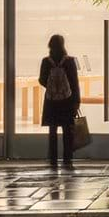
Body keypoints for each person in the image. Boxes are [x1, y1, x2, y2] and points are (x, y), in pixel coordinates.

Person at [39, 35, 81, 171]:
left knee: (52, 131)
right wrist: (76, 101)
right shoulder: (69, 61)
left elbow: (41, 79)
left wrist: (52, 86)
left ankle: (53, 160)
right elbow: (74, 82)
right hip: (67, 101)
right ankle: (67, 160)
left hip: (51, 101)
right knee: (67, 130)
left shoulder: (46, 61)